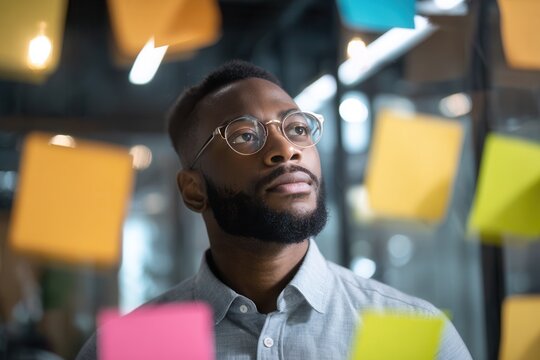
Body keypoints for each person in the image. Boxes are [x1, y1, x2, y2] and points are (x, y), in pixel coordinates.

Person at [76, 60, 472, 359]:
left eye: (297, 128)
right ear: (194, 190)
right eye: (246, 135)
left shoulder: (418, 335)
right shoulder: (126, 349)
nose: (286, 149)